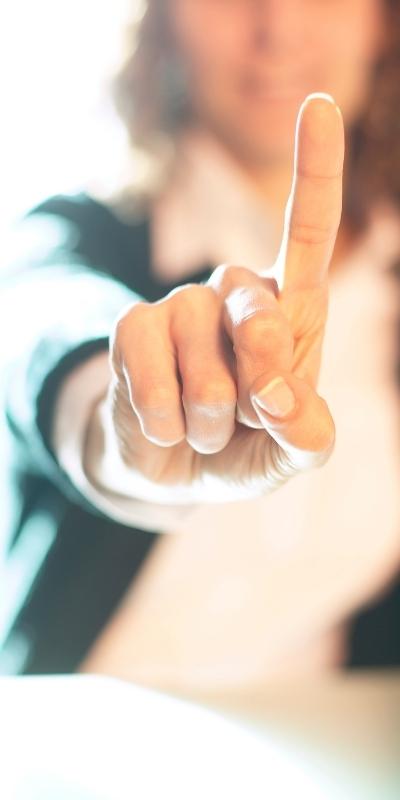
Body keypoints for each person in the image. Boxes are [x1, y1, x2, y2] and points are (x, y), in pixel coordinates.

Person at [0, 0, 399, 691]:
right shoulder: (87, 232)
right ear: (164, 20)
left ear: (382, 21)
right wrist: (120, 427)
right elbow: (38, 326)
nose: (278, 29)